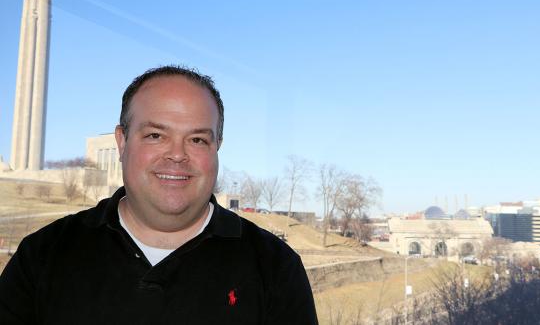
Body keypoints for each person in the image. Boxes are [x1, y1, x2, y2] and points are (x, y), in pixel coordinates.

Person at [0, 65, 318, 324]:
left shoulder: (276, 267)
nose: (177, 155)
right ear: (122, 142)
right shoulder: (42, 256)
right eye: (155, 135)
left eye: (197, 140)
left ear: (217, 147)